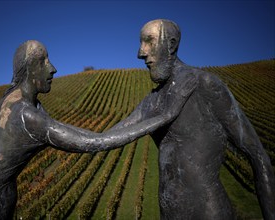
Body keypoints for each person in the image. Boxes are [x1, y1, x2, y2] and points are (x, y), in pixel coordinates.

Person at [0, 40, 195, 219]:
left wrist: (140, 114)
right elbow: (94, 143)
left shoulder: (19, 102)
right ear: (30, 69)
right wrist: (165, 115)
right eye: (43, 61)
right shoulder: (26, 116)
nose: (53, 68)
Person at [110, 19, 275, 219]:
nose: (140, 53)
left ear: (171, 45)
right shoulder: (152, 101)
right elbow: (99, 140)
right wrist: (58, 128)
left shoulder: (204, 84)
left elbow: (257, 155)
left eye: (149, 41)